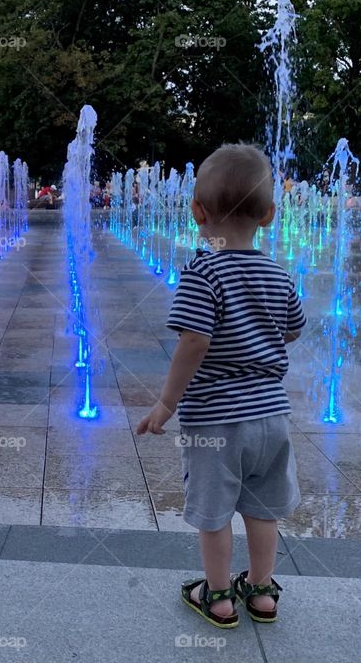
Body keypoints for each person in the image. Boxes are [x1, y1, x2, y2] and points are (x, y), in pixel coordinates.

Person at [135, 143, 305, 629]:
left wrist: (167, 403)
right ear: (269, 215)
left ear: (196, 212)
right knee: (262, 507)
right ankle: (262, 591)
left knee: (213, 511)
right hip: (272, 417)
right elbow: (292, 329)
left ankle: (218, 596)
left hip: (216, 421)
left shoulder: (202, 271)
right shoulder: (277, 272)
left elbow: (194, 340)